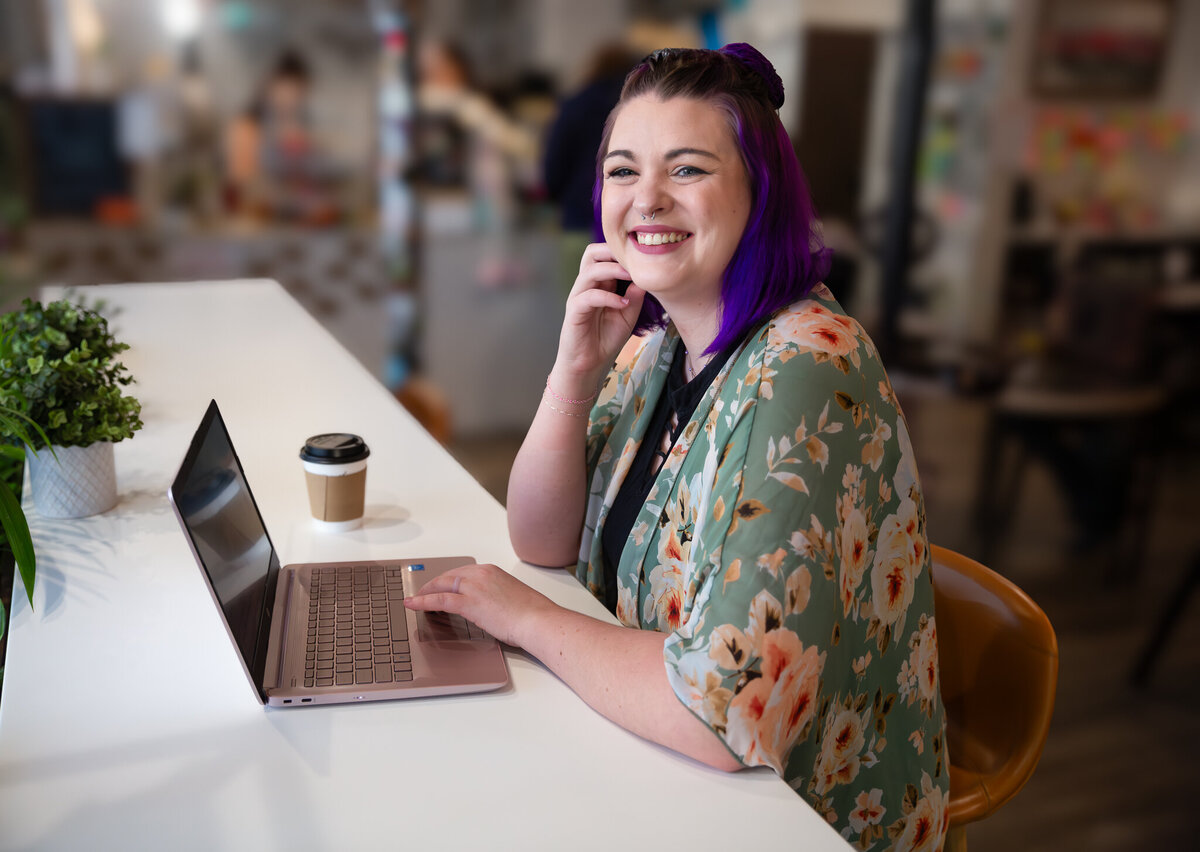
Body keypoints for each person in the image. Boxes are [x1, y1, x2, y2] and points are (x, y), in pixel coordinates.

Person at [405, 43, 948, 850]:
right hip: (648, 769)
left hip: (795, 819)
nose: (645, 199)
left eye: (687, 169)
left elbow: (722, 716)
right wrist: (572, 373)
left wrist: (525, 619)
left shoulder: (803, 367)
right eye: (622, 171)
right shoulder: (656, 342)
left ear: (759, 192)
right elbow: (540, 536)